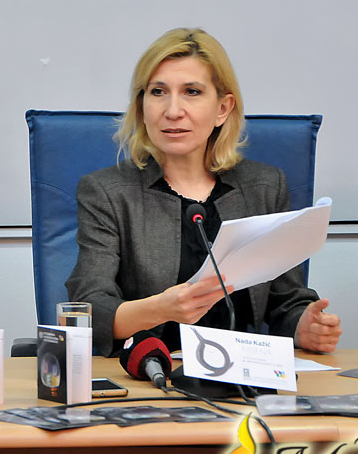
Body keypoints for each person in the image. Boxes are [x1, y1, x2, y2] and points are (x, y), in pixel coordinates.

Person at [65, 28, 342, 358]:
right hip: (152, 372)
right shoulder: (107, 193)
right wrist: (160, 308)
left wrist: (304, 327)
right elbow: (88, 310)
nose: (172, 110)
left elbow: (285, 300)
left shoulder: (265, 187)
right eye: (158, 92)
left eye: (192, 92)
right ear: (142, 106)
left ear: (223, 108)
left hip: (243, 372)